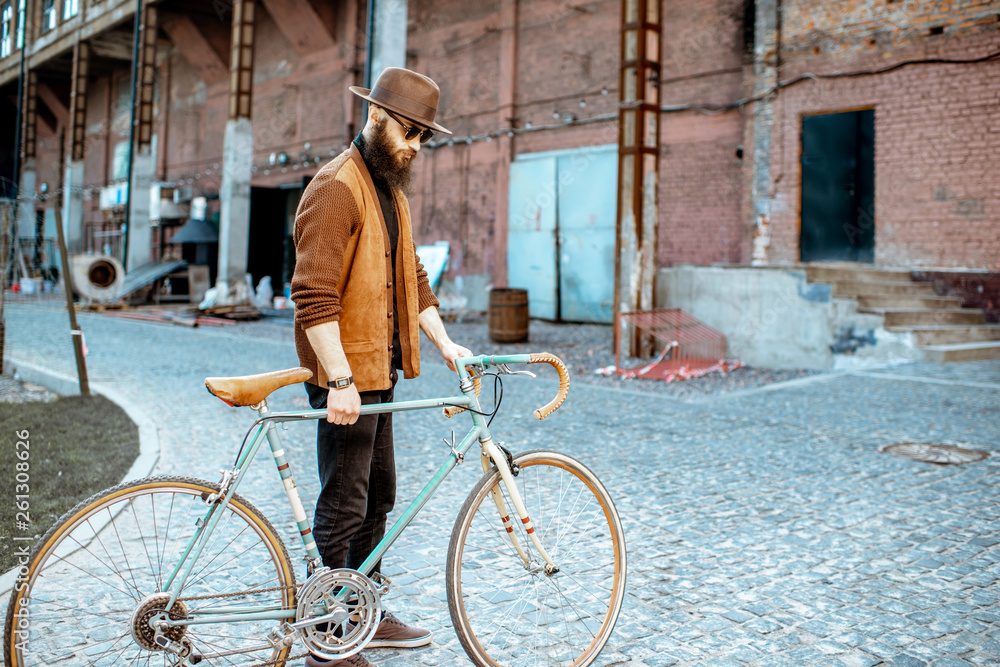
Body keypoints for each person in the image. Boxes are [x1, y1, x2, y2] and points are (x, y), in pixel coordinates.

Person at [291, 67, 471, 667]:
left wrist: (445, 345)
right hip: (347, 378)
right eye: (409, 132)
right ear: (376, 118)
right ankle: (328, 635)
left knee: (378, 498)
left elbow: (412, 277)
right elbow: (313, 295)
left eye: (425, 136)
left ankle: (362, 607)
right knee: (345, 502)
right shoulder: (336, 187)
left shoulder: (389, 191)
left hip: (380, 374)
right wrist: (338, 380)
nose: (416, 146)